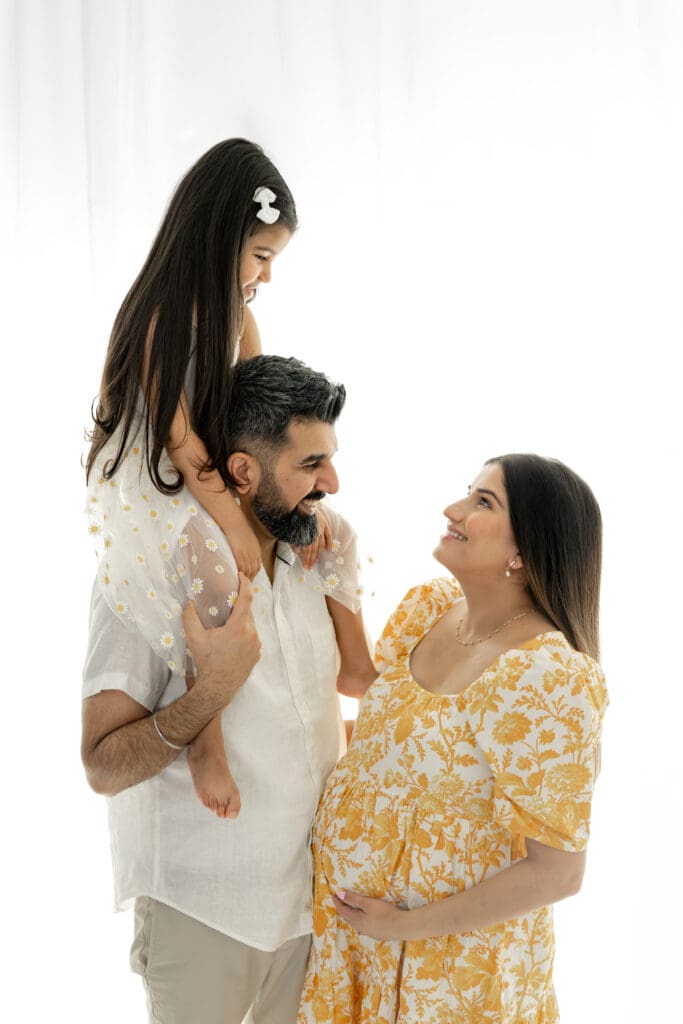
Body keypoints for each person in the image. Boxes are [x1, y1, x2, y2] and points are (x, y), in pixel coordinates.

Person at [82, 355, 376, 1024]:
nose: (330, 481)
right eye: (310, 465)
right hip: (204, 908)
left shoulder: (322, 548)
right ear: (243, 471)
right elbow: (102, 763)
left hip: (313, 910)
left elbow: (352, 687)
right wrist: (208, 694)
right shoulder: (149, 569)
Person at [85, 139, 370, 821]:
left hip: (213, 468)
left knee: (323, 532)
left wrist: (264, 508)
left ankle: (355, 678)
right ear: (218, 240)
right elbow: (179, 440)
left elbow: (247, 416)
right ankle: (205, 737)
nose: (265, 276)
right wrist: (235, 522)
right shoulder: (161, 318)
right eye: (261, 256)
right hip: (154, 477)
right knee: (212, 572)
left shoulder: (240, 320)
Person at [298, 454, 609, 1024]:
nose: (454, 509)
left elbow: (559, 871)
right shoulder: (430, 608)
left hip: (445, 974)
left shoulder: (548, 675)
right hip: (353, 948)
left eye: (483, 502)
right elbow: (386, 743)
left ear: (526, 549)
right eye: (469, 492)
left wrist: (402, 925)